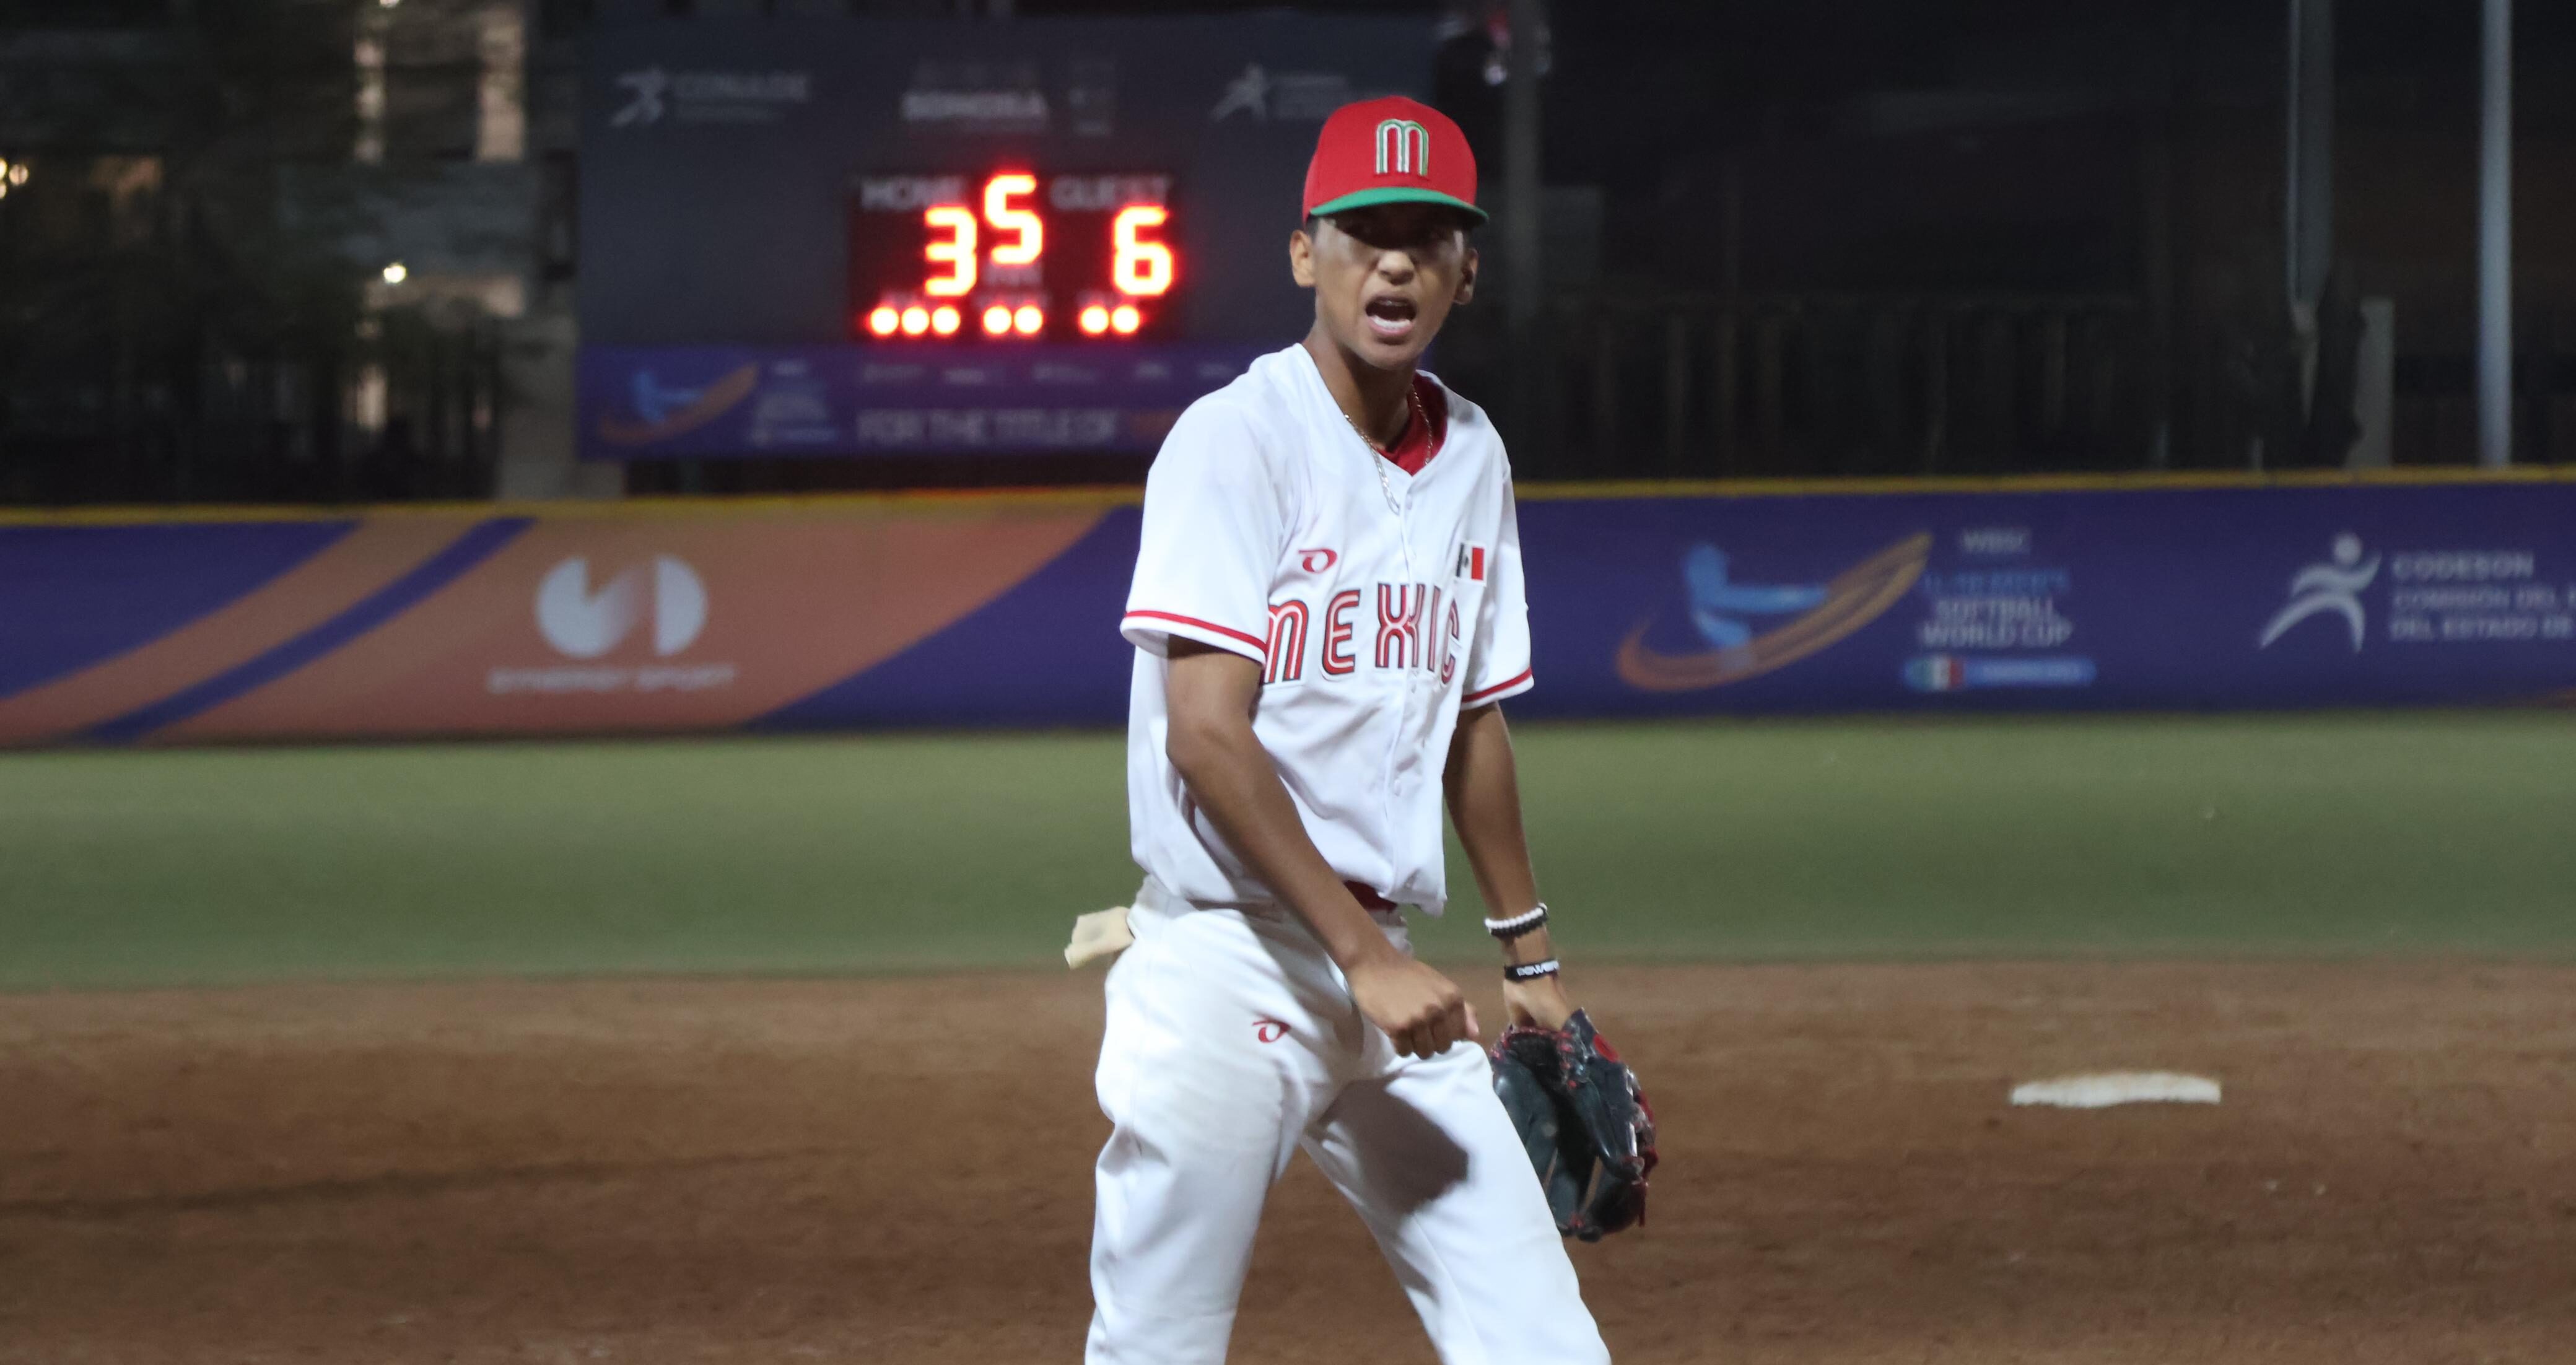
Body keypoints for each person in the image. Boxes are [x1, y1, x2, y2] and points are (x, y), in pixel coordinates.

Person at [1089, 95, 1614, 1364]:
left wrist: (1526, 954)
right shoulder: (1235, 439)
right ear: (1302, 252)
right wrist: (1360, 960)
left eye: (1427, 236)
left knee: (1542, 1343)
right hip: (1231, 965)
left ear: (1465, 271)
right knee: (1157, 1345)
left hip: (1394, 976)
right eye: (1365, 231)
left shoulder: (1473, 454)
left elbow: (1472, 717)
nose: (1395, 261)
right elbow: (1204, 738)